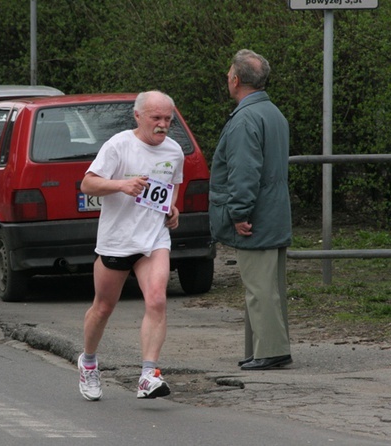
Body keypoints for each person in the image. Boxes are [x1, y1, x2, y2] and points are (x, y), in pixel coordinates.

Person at [78, 90, 183, 401]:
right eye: (156, 118)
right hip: (117, 240)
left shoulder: (175, 151)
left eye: (168, 119)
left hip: (153, 240)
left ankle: (148, 374)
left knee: (157, 300)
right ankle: (88, 362)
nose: (163, 124)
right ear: (138, 117)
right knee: (103, 307)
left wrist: (172, 209)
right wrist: (121, 185)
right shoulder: (119, 145)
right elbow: (88, 183)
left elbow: (172, 188)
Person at [209, 49, 292, 371]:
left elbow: (244, 171)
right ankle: (271, 346)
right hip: (274, 212)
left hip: (257, 217)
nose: (227, 78)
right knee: (270, 287)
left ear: (236, 80)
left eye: (229, 73)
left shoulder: (245, 118)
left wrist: (239, 213)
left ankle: (271, 351)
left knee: (259, 289)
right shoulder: (272, 112)